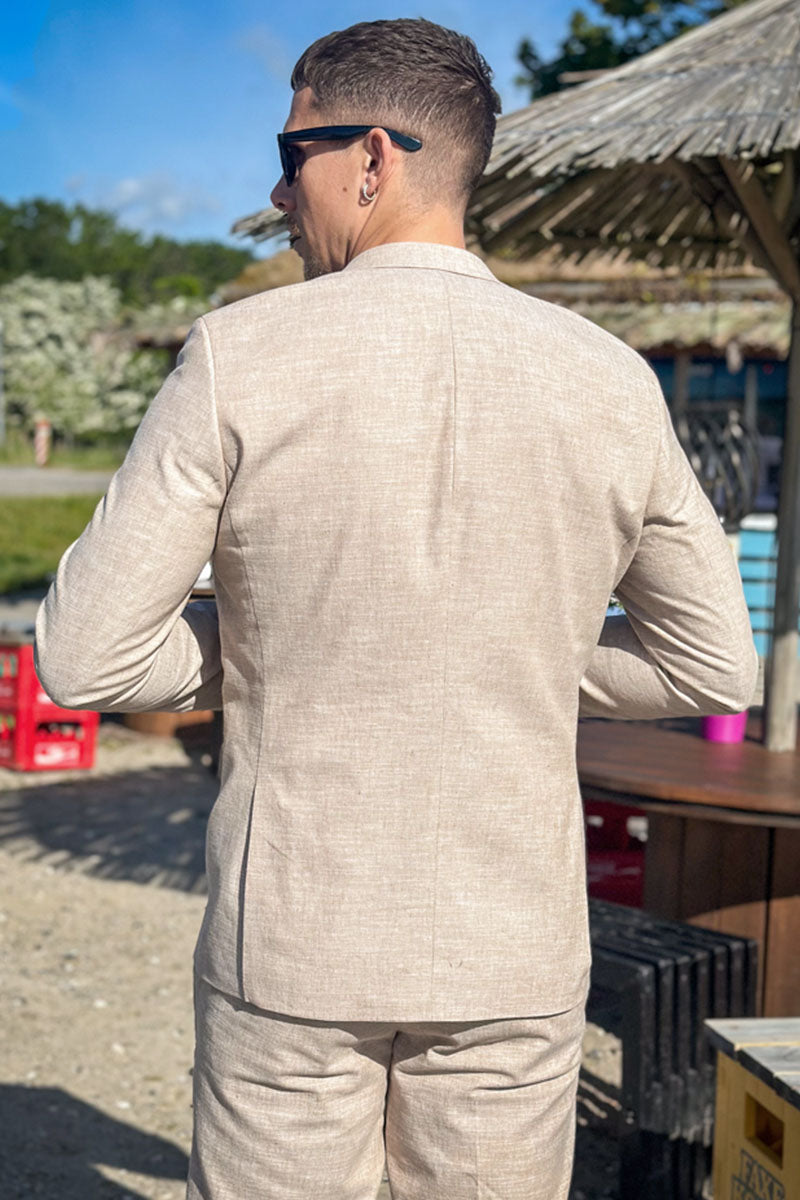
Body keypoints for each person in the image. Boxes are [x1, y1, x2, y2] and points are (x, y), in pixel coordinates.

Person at [35, 17, 758, 1200]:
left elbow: (83, 654)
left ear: (371, 156)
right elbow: (708, 668)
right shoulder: (607, 378)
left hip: (292, 941)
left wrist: (276, 649)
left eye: (290, 154)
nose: (277, 192)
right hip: (510, 947)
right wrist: (512, 653)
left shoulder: (238, 355)